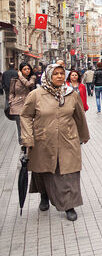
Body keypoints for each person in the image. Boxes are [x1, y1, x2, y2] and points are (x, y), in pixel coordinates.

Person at [20, 63, 90, 221]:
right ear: (48, 76)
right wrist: (27, 137)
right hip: (42, 140)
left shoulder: (71, 94)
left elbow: (79, 116)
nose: (59, 76)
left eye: (61, 73)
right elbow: (25, 116)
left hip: (68, 139)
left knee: (69, 173)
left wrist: (84, 135)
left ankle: (69, 206)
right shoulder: (36, 95)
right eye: (55, 74)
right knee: (44, 171)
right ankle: (44, 195)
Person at [8, 63, 36, 144]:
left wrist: (21, 76)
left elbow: (28, 84)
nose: (27, 70)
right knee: (19, 126)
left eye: (28, 69)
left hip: (29, 104)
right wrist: (11, 102)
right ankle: (22, 146)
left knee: (29, 126)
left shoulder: (32, 78)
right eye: (25, 69)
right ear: (21, 70)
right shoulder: (14, 80)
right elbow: (11, 92)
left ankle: (29, 144)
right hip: (17, 105)